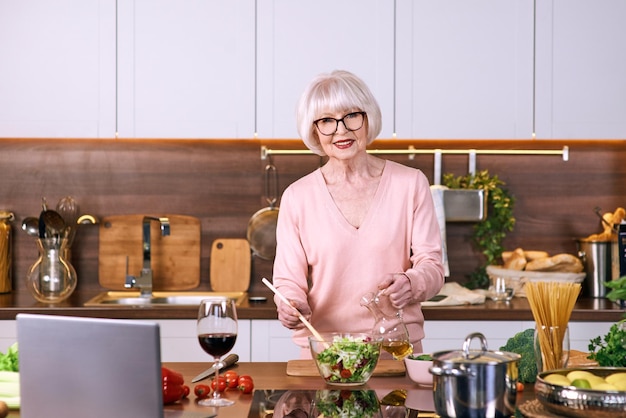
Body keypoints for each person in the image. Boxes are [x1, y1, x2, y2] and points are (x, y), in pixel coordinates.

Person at [272, 70, 445, 358]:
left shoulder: (411, 184)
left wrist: (412, 283)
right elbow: (288, 282)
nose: (341, 130)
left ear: (368, 118)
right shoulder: (297, 197)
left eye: (351, 115)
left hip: (396, 352)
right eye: (326, 120)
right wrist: (290, 304)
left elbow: (432, 266)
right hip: (325, 355)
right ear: (314, 130)